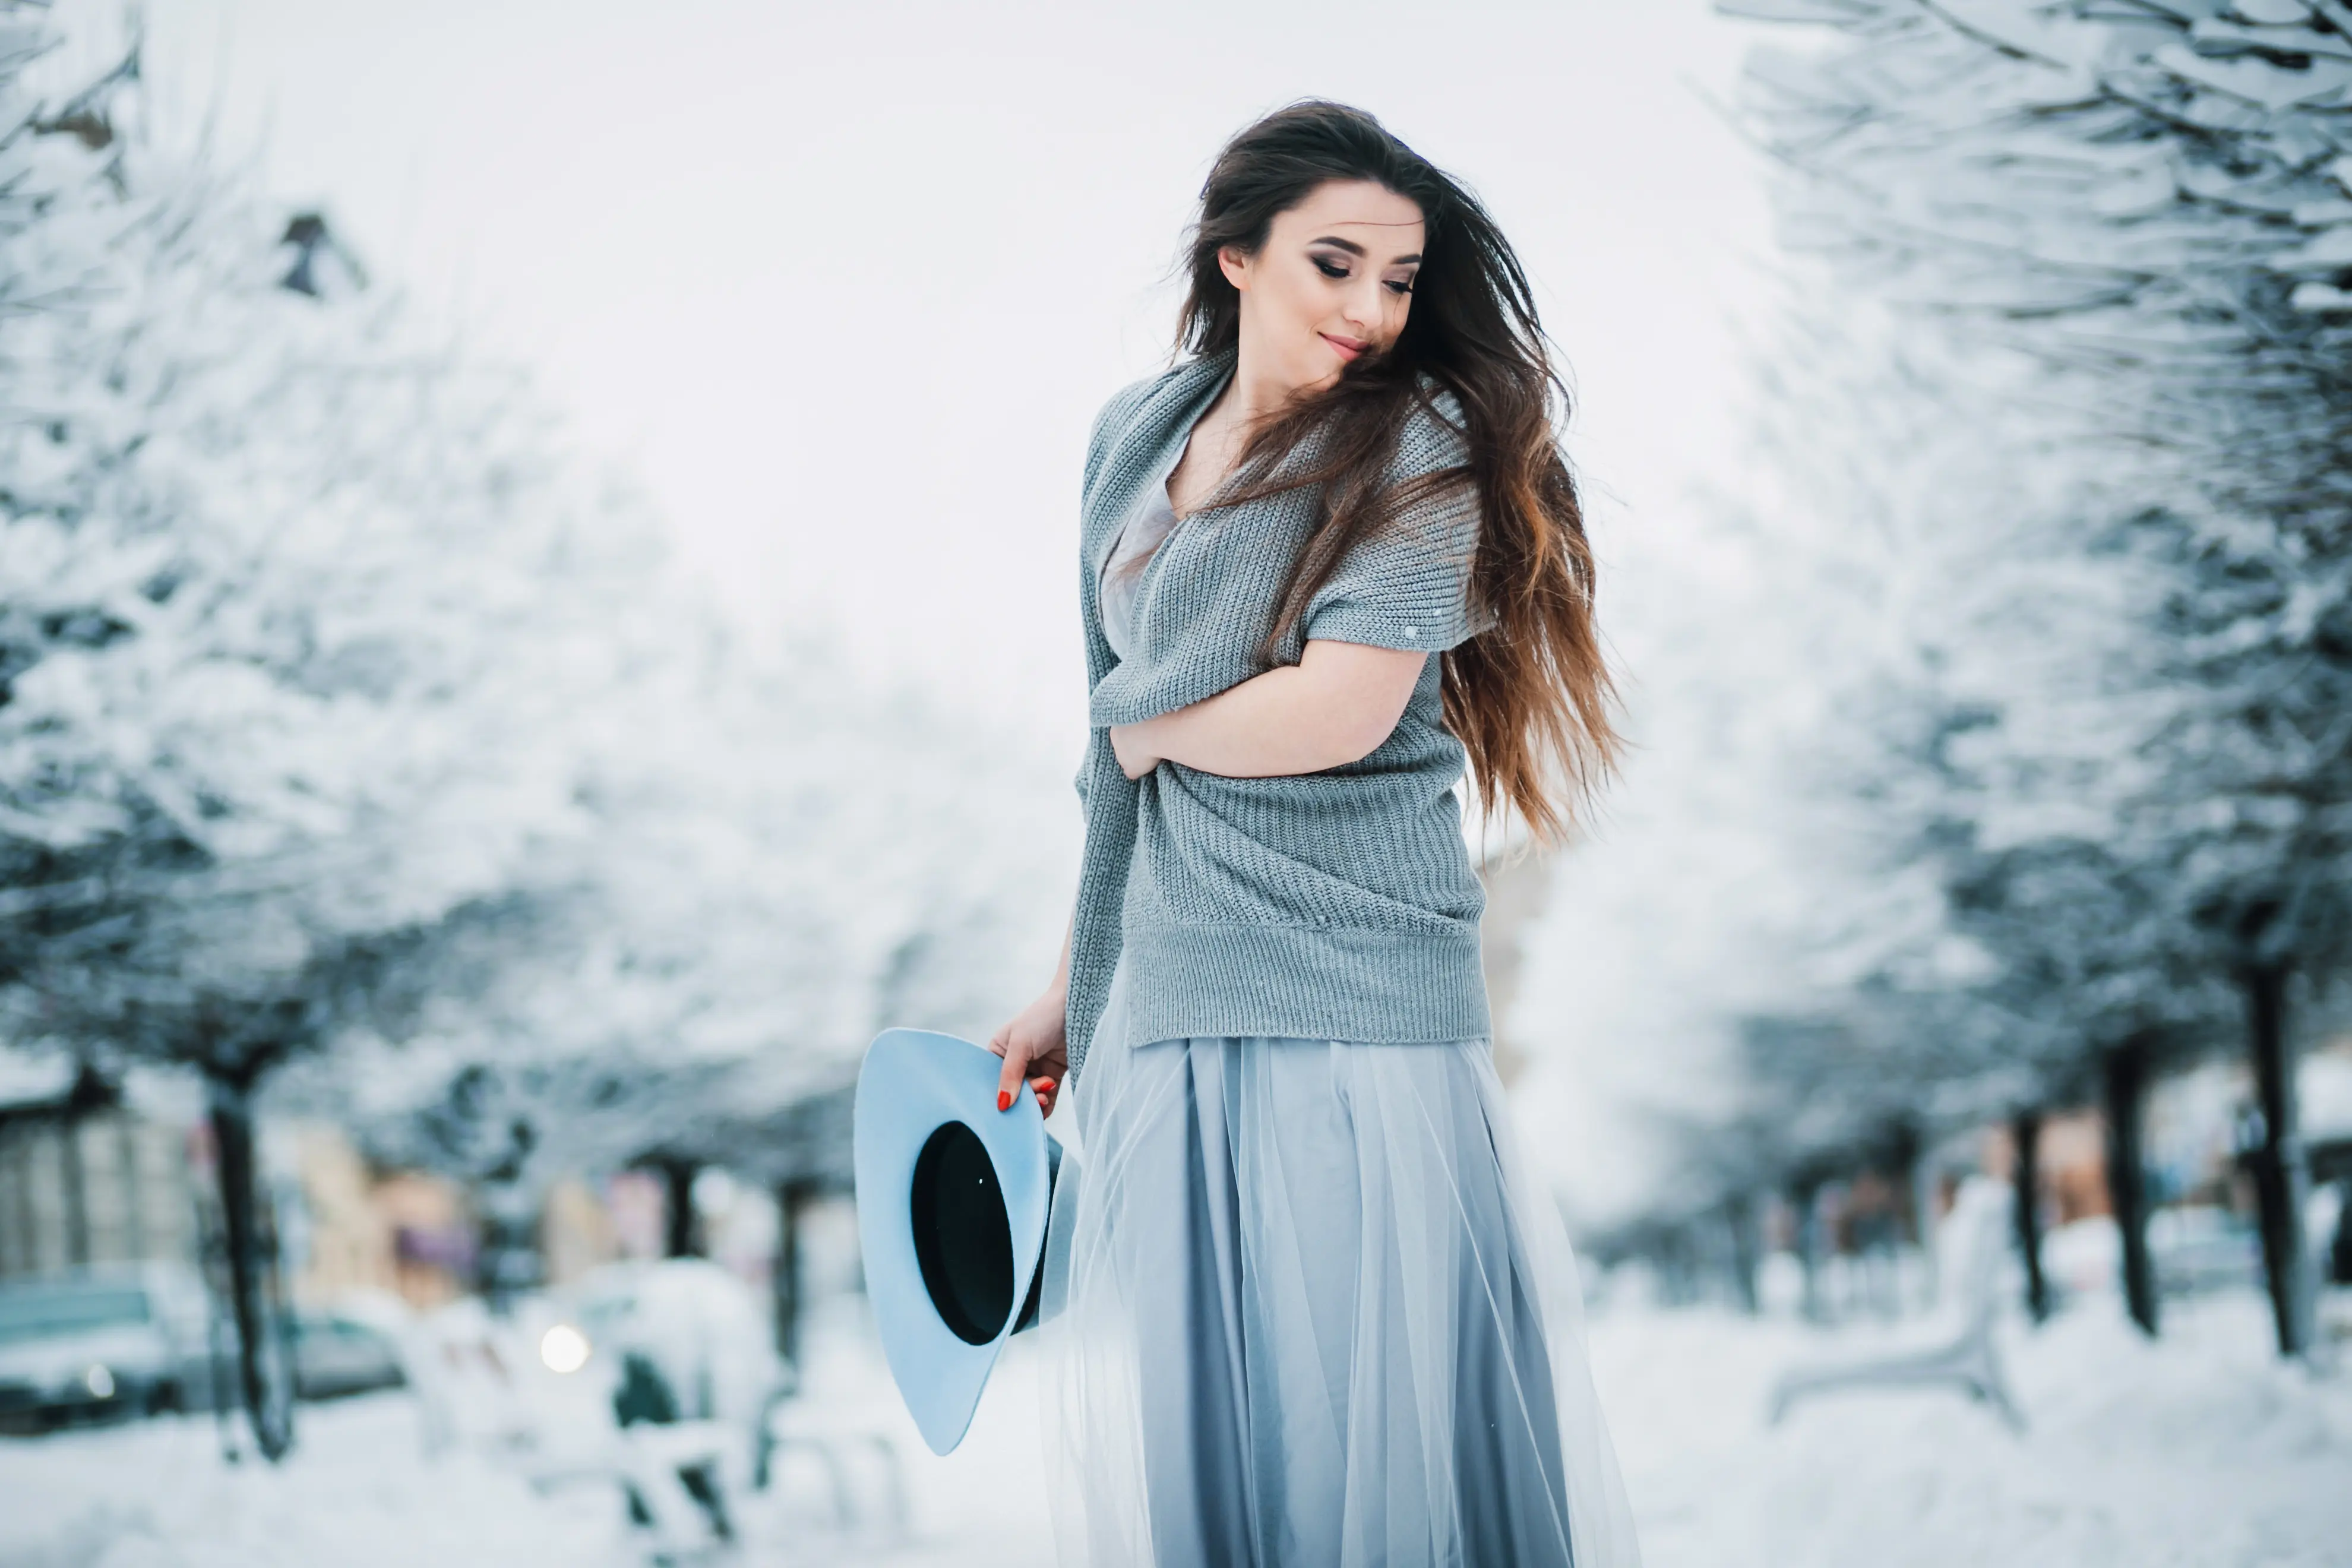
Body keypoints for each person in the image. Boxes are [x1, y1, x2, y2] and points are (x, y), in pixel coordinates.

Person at [988, 99, 1643, 1567]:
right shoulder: (1133, 436)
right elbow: (1112, 768)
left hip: (1354, 992)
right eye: (1334, 265)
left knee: (1363, 1438)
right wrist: (1076, 981)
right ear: (1235, 255)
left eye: (1399, 279)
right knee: (1232, 1446)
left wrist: (1150, 728)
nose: (1371, 309)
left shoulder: (1419, 445)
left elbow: (1339, 711)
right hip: (1174, 995)